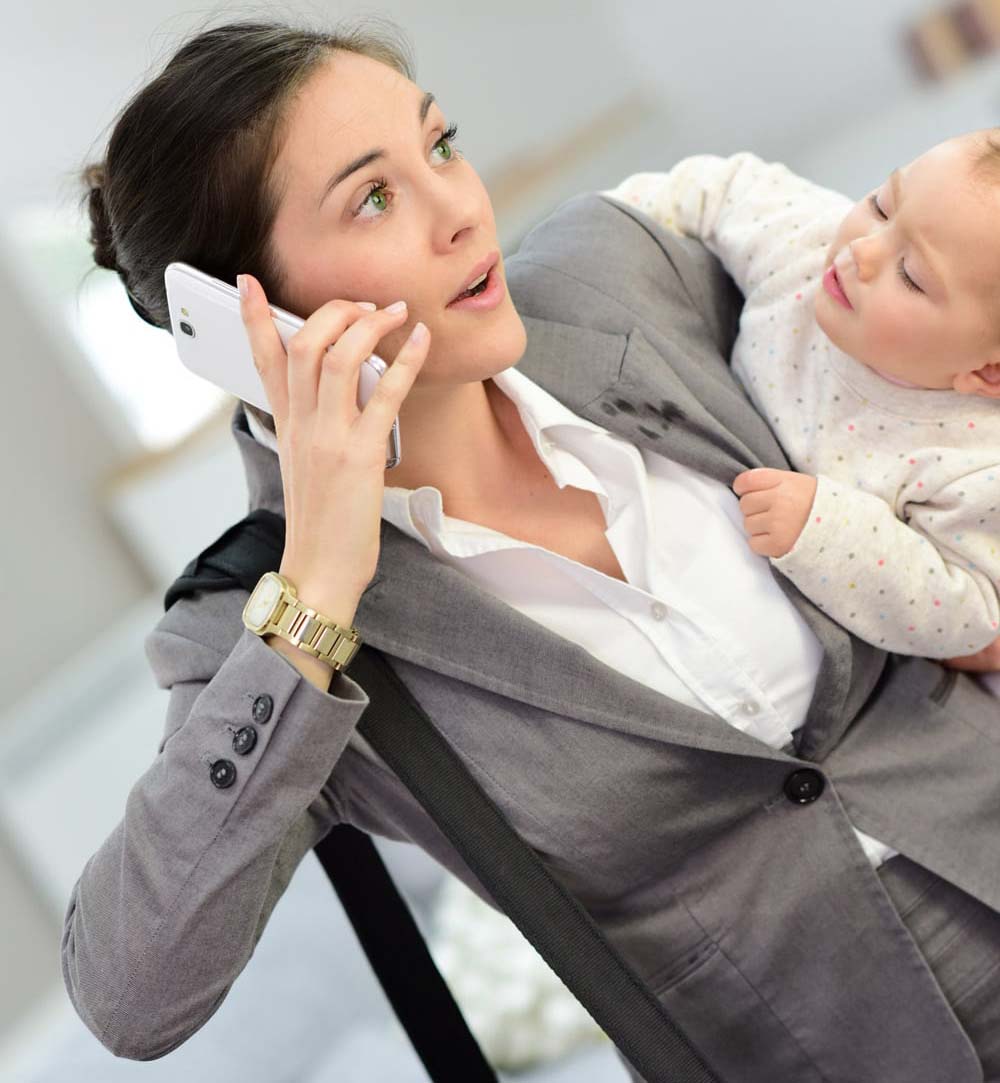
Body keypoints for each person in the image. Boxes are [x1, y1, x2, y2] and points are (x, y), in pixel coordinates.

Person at [65, 16, 1000, 1082]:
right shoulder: (259, 627)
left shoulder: (624, 272)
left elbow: (956, 369)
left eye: (441, 147)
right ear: (251, 317)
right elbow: (127, 997)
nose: (462, 212)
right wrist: (320, 579)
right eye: (375, 197)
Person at [601, 138, 1000, 663]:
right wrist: (618, 225)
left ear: (986, 370)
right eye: (882, 203)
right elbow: (722, 187)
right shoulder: (806, 244)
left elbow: (970, 614)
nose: (864, 250)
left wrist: (830, 532)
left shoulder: (975, 465)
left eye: (911, 275)